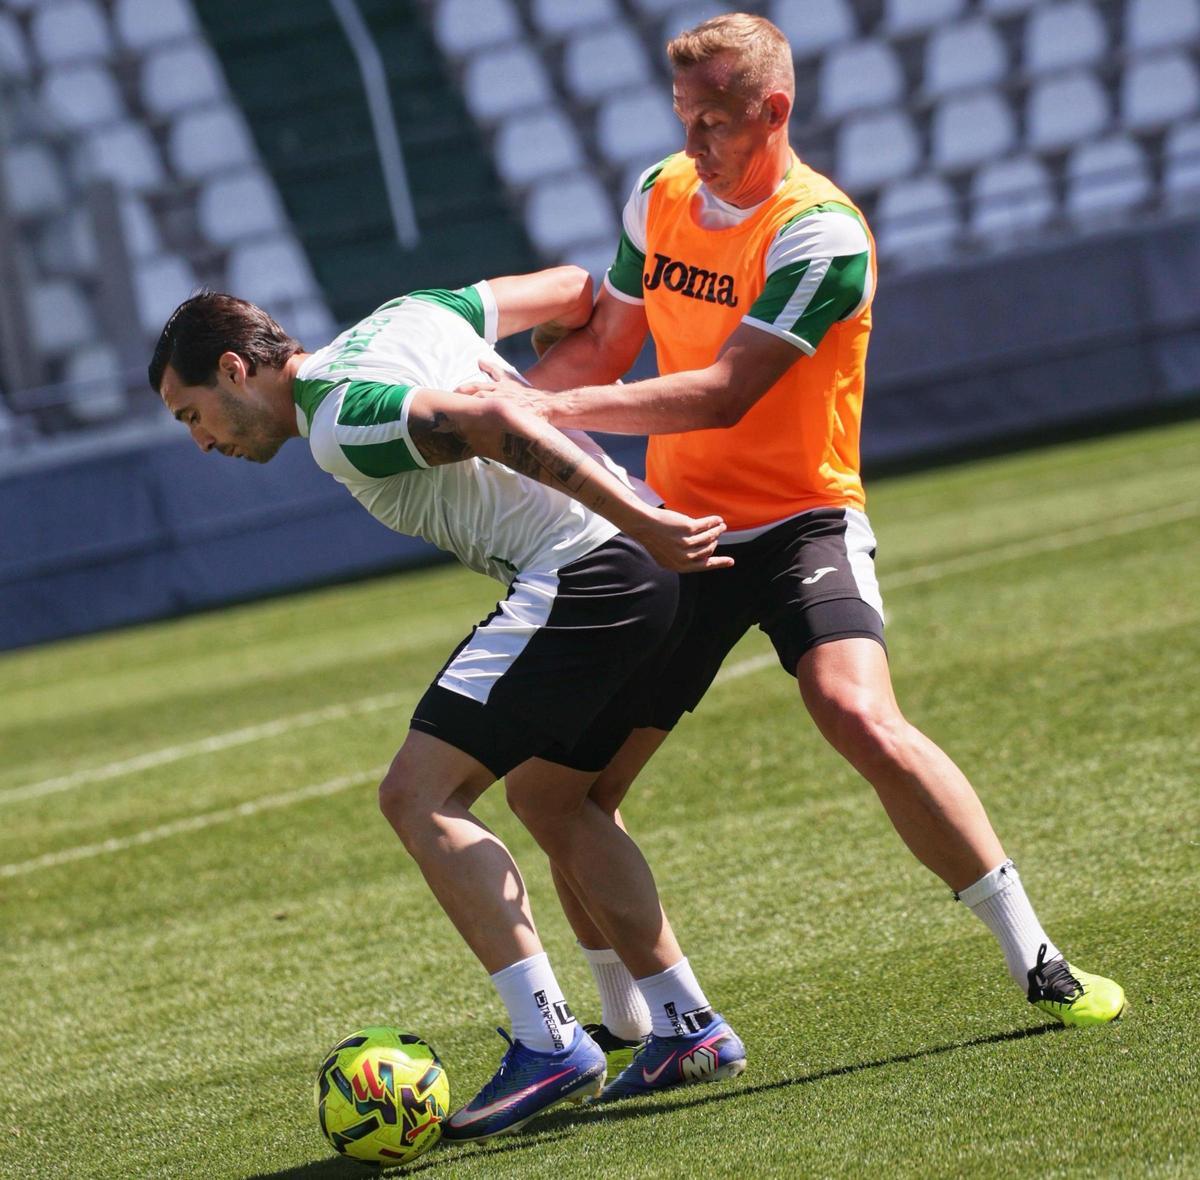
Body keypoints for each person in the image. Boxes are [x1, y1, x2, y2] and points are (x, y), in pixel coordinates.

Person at [469, 13, 1124, 1087]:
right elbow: (610, 336)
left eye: (716, 121)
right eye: (685, 118)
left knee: (854, 708)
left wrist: (553, 412)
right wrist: (491, 412)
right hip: (682, 530)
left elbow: (726, 390)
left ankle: (1038, 957)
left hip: (803, 519)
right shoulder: (659, 196)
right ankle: (634, 1020)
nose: (696, 144)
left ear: (774, 111)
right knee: (556, 788)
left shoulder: (822, 234)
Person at [148, 267, 747, 1141]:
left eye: (191, 414)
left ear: (237, 370)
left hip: (595, 564)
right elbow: (581, 288)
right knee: (554, 798)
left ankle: (549, 1042)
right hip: (647, 557)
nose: (201, 441)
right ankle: (688, 1025)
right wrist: (562, 360)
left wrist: (635, 518)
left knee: (416, 796)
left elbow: (494, 423)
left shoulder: (341, 421)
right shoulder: (408, 314)